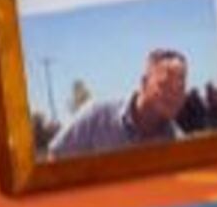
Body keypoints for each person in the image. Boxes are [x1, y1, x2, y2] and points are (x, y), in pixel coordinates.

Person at [48, 49, 190, 158]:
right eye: (164, 85)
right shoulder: (96, 117)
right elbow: (56, 156)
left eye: (180, 87)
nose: (174, 95)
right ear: (144, 83)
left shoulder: (180, 145)